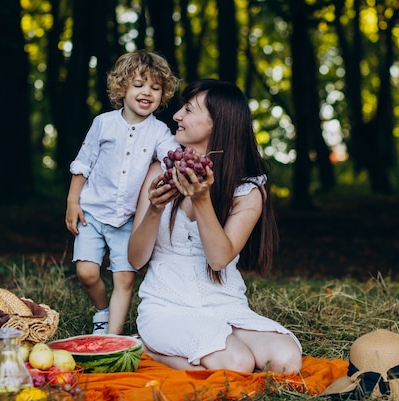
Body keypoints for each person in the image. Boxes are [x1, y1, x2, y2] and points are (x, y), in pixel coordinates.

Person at [127, 79, 303, 373]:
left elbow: (219, 259)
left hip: (225, 306)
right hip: (167, 307)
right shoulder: (159, 172)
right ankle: (146, 346)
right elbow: (135, 259)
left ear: (216, 124)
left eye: (188, 110)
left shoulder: (248, 191)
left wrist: (201, 199)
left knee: (286, 360)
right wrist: (156, 208)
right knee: (237, 364)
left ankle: (208, 348)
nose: (176, 116)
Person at [65, 50, 180, 335]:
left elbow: (171, 156)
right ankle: (102, 311)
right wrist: (72, 201)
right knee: (87, 272)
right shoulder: (103, 123)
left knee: (125, 280)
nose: (147, 93)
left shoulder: (159, 132)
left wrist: (183, 165)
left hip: (128, 221)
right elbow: (83, 164)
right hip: (91, 213)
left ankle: (112, 336)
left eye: (155, 88)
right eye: (139, 84)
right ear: (122, 87)